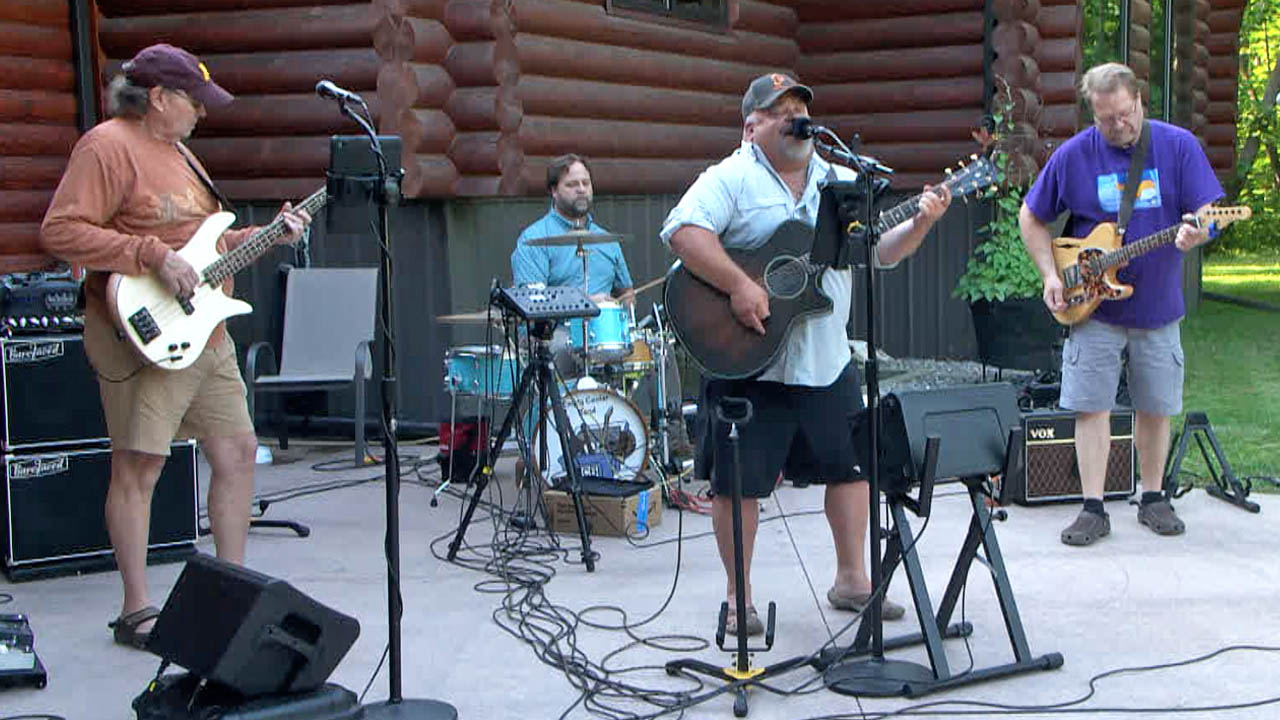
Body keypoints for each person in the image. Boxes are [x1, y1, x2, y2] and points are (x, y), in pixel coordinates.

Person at [39, 44, 311, 648]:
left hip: (206, 332)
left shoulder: (184, 155)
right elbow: (59, 231)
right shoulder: (105, 146)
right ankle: (136, 611)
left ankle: (232, 594)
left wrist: (265, 236)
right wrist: (148, 254)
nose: (202, 114)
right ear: (158, 98)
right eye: (194, 100)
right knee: (141, 467)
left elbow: (204, 247)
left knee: (238, 451)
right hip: (142, 335)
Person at [660, 73, 952, 635]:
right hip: (748, 357)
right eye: (780, 110)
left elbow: (879, 254)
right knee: (738, 481)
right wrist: (740, 286)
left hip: (825, 359)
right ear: (752, 126)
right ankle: (738, 596)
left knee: (853, 468)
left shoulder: (841, 180)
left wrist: (921, 221)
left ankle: (852, 580)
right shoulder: (730, 178)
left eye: (800, 107)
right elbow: (684, 233)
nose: (796, 116)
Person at [1020, 62, 1221, 546]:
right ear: (1093, 112)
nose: (1118, 125)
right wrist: (1050, 274)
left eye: (1125, 114)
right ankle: (1093, 507)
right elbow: (1031, 216)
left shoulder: (1177, 146)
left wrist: (1201, 231)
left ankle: (1152, 498)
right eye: (1106, 118)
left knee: (1156, 406)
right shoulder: (1073, 156)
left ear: (1139, 101)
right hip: (1093, 309)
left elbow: (1211, 212)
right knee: (1090, 408)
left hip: (1157, 307)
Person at [511, 154, 634, 307]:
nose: (581, 190)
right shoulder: (533, 241)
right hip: (559, 330)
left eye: (586, 183)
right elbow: (531, 301)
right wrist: (584, 303)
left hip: (607, 329)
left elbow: (626, 293)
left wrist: (626, 310)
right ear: (554, 191)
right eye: (572, 185)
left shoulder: (608, 241)